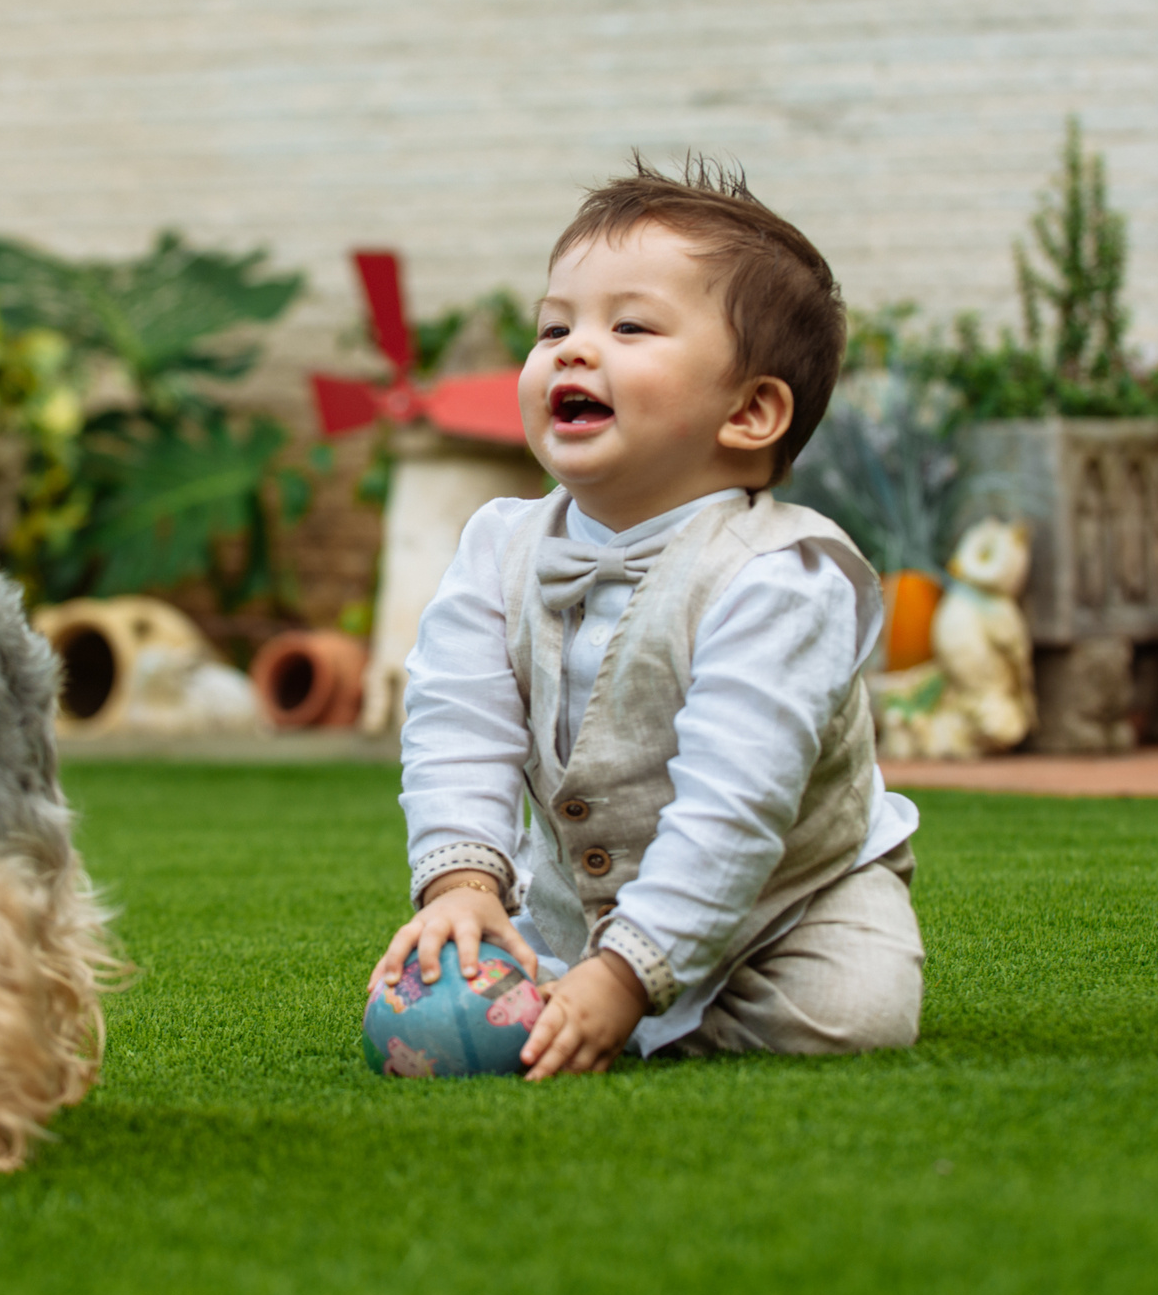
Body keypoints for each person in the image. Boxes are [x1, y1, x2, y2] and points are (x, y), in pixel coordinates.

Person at [367, 159, 924, 1078]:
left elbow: (735, 802)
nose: (571, 350)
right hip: (581, 902)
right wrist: (461, 886)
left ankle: (623, 1004)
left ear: (749, 412)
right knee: (456, 969)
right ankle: (572, 985)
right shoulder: (499, 546)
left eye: (629, 326)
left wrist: (627, 978)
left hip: (792, 905)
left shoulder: (781, 581)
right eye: (555, 326)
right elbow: (457, 723)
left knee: (853, 1014)